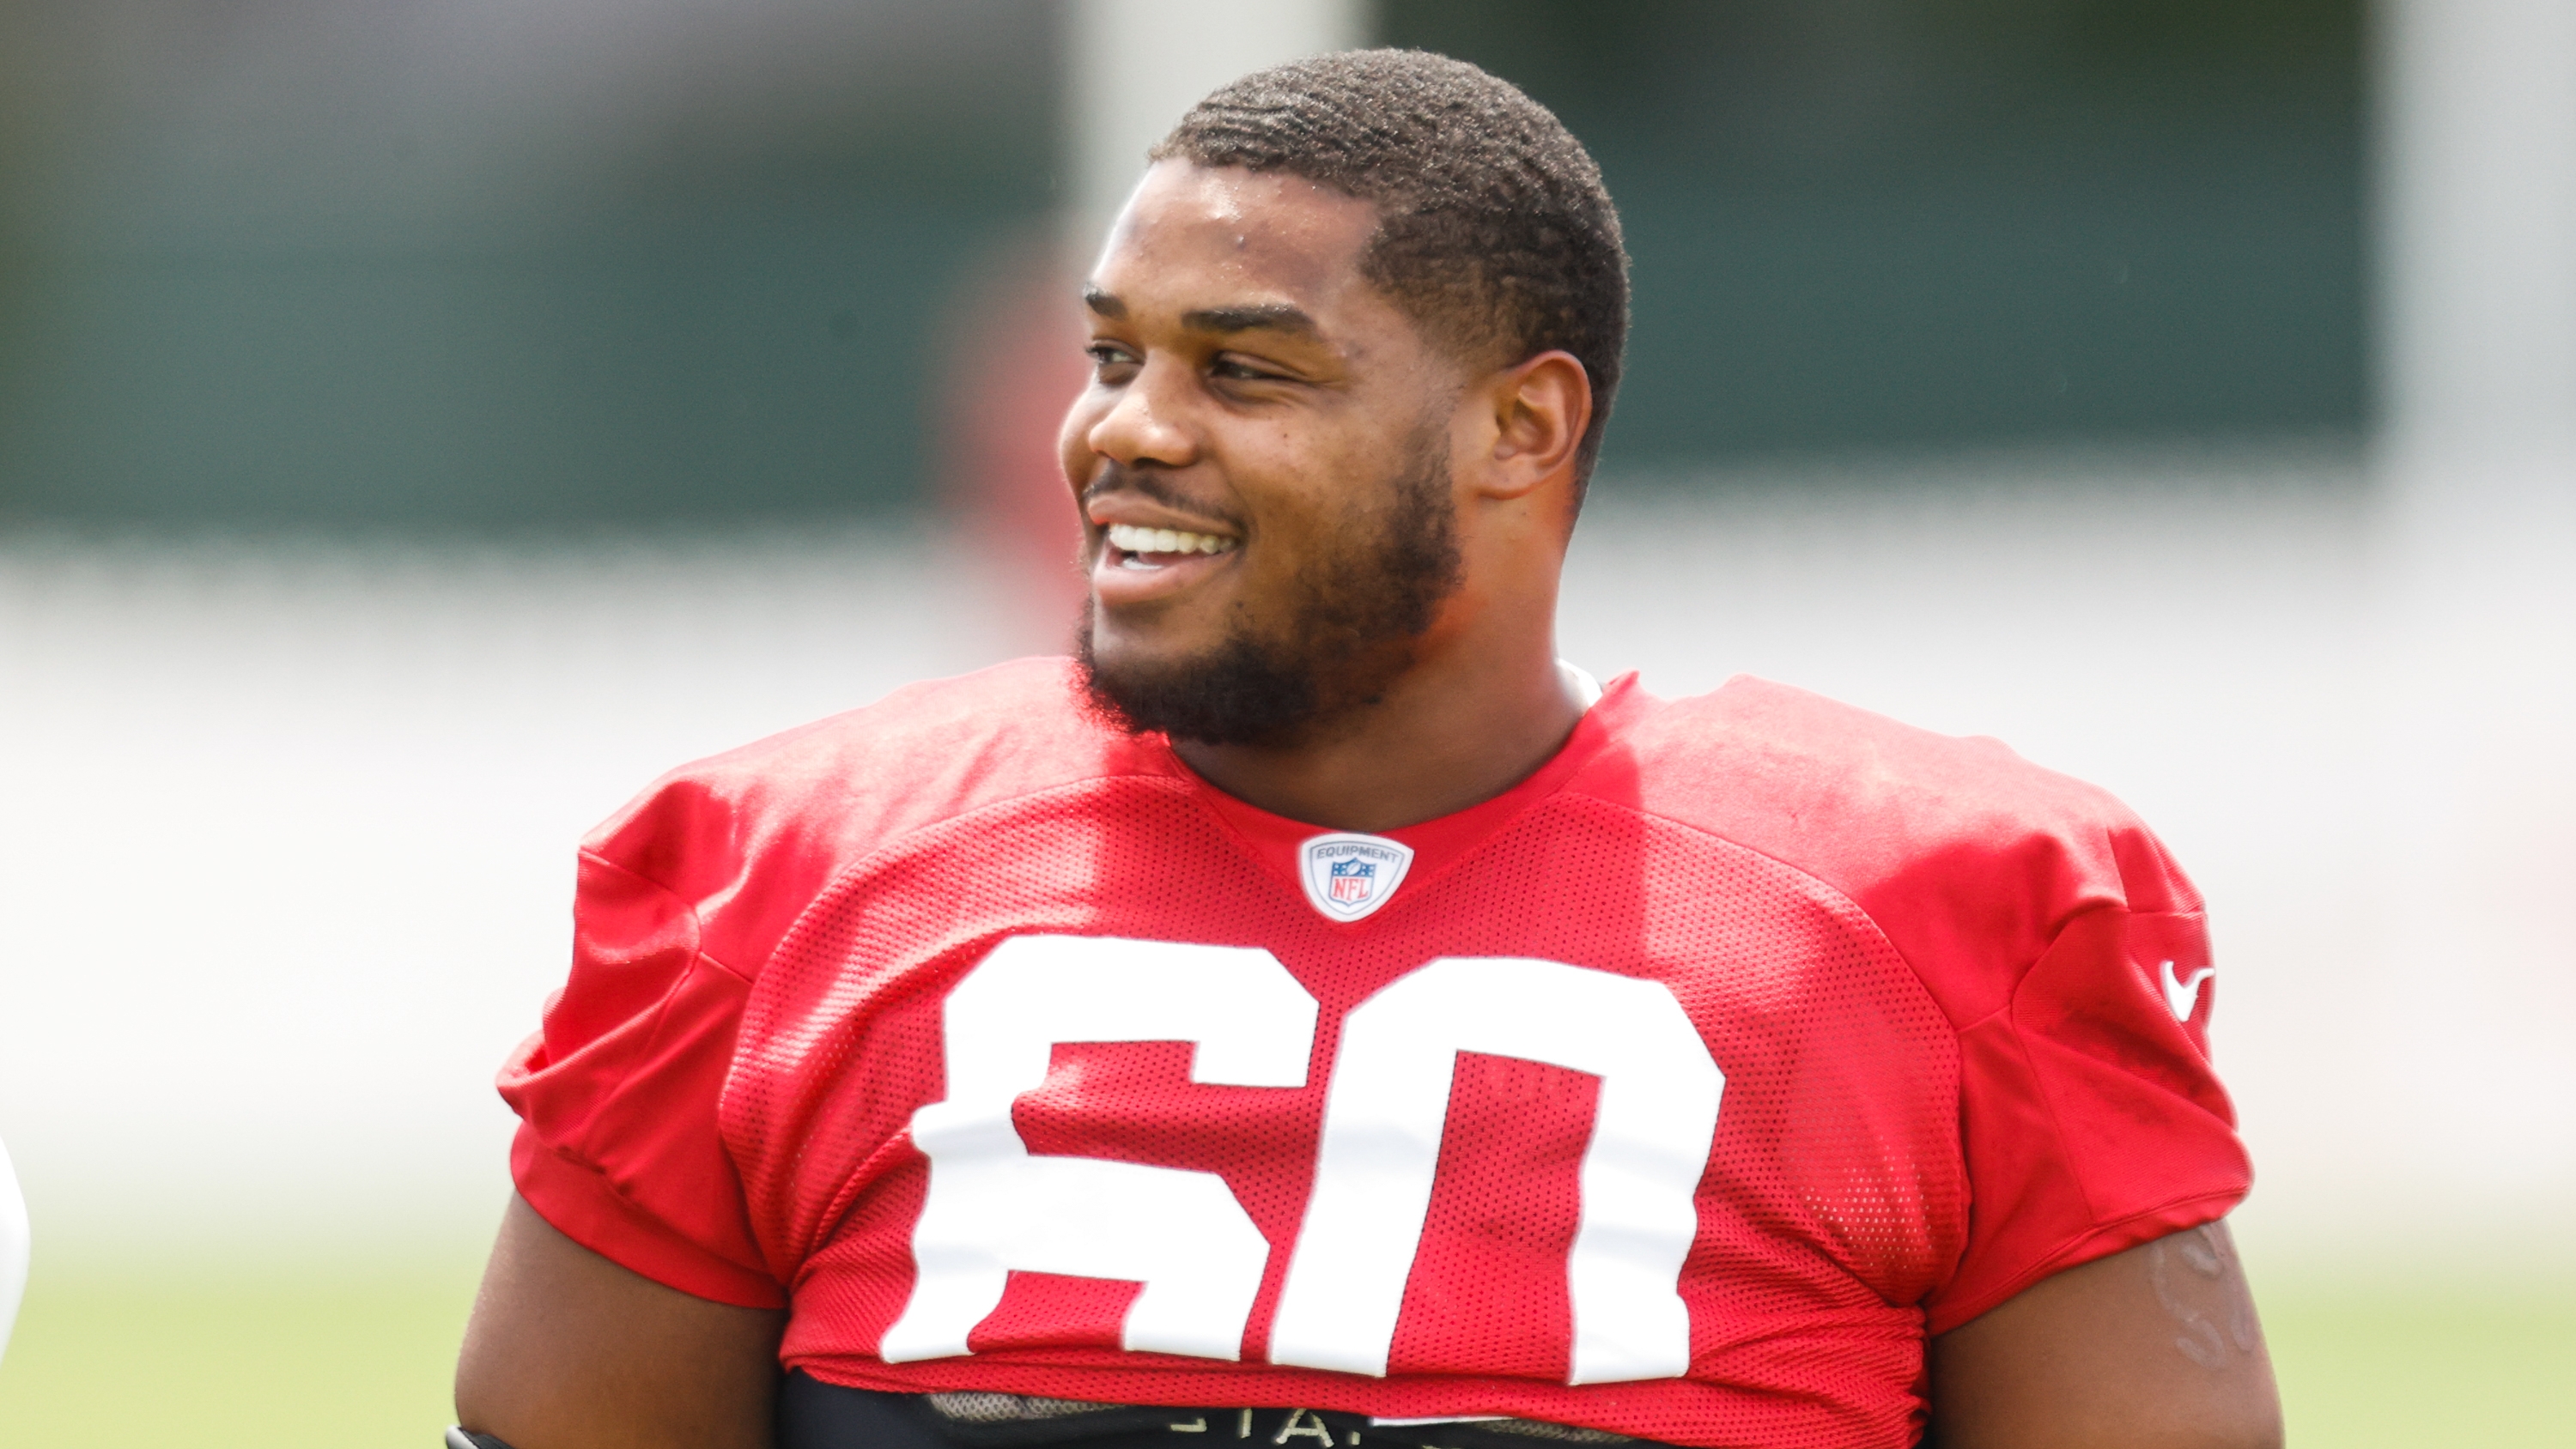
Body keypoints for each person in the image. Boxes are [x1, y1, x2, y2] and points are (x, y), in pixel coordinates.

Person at [453, 49, 2281, 1449]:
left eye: (1244, 370)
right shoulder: (775, 882)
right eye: (1112, 358)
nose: (1122, 435)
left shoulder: (1955, 913)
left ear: (1520, 425)